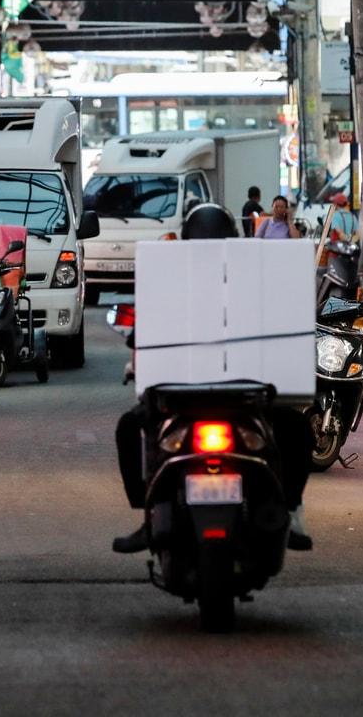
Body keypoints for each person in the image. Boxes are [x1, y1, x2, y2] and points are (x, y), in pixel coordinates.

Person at [111, 203, 313, 554]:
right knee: (296, 430)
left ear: (186, 239)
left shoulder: (168, 275)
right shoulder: (259, 275)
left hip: (184, 401)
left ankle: (148, 518)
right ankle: (290, 511)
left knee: (131, 428)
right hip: (246, 400)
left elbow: (142, 342)